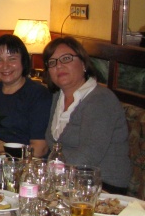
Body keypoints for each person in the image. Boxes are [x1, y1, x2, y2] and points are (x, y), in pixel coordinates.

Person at [43, 36, 131, 192]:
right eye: (52, 62)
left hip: (103, 186)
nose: (59, 66)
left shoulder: (101, 100)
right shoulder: (57, 97)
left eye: (66, 59)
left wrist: (48, 169)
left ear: (83, 64)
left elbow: (88, 157)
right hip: (66, 181)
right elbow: (53, 146)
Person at [0, 34, 51, 157]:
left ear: (24, 61)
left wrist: (5, 160)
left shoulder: (38, 96)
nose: (5, 66)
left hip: (23, 164)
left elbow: (40, 148)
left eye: (12, 59)